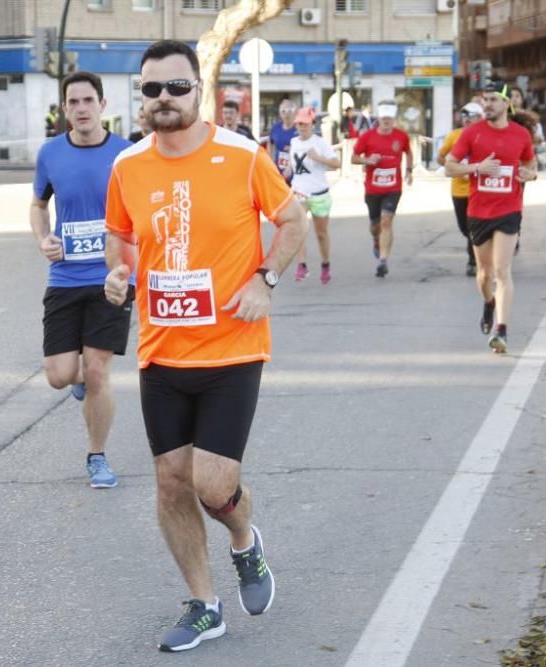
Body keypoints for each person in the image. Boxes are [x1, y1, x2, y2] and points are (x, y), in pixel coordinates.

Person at [102, 39, 308, 653]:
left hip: (232, 348)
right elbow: (122, 239)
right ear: (140, 96)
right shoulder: (128, 167)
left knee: (213, 485)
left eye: (176, 87)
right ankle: (204, 603)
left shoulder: (243, 156)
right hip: (161, 350)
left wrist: (265, 280)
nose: (163, 99)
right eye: (151, 89)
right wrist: (119, 273)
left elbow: (293, 220)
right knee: (170, 481)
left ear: (200, 91)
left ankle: (245, 541)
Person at [30, 71, 134, 488]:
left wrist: (136, 270)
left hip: (112, 278)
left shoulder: (128, 154)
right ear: (64, 109)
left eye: (88, 100)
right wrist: (43, 238)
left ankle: (97, 457)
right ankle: (79, 383)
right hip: (65, 277)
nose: (81, 109)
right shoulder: (50, 153)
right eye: (72, 103)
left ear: (103, 105)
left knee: (96, 371)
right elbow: (38, 205)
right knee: (60, 374)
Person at [445, 81, 537, 354]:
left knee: (501, 271)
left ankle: (502, 330)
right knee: (484, 274)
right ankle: (488, 302)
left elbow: (530, 164)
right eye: (485, 99)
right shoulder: (472, 133)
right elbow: (449, 167)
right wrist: (477, 168)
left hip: (509, 210)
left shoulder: (521, 134)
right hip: (478, 211)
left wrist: (529, 174)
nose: (487, 104)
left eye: (494, 99)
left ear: (507, 104)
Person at [351, 99, 413, 278]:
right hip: (372, 189)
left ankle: (383, 261)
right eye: (384, 119)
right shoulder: (368, 137)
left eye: (390, 119)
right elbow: (353, 157)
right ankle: (376, 240)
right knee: (375, 225)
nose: (387, 122)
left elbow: (408, 152)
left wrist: (409, 170)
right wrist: (367, 160)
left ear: (394, 119)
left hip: (393, 187)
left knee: (386, 221)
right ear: (379, 118)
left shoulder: (401, 136)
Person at [288, 106, 341, 283]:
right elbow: (292, 167)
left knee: (321, 233)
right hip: (299, 192)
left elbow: (336, 164)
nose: (301, 127)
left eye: (304, 124)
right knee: (299, 230)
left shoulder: (320, 143)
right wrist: (282, 176)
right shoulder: (294, 142)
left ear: (312, 124)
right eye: (299, 124)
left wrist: (319, 158)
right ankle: (301, 265)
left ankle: (325, 264)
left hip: (319, 193)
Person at [438, 101, 484, 277]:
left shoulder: (484, 136)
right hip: (458, 190)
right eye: (464, 116)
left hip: (477, 189)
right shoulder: (454, 136)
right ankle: (476, 253)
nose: (466, 120)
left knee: (473, 227)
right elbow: (441, 158)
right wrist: (454, 167)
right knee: (465, 228)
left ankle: (473, 262)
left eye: (471, 116)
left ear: (479, 118)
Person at [267, 98, 298, 184]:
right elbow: (270, 142)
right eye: (283, 111)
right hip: (279, 169)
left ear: (295, 113)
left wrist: (290, 166)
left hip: (296, 170)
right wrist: (270, 160)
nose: (286, 114)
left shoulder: (299, 128)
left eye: (289, 111)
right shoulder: (276, 127)